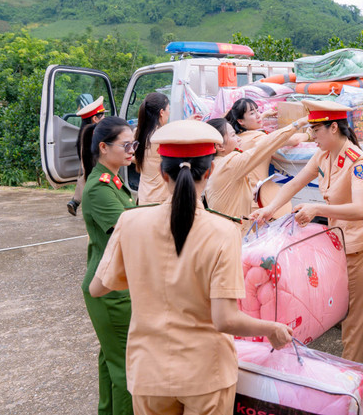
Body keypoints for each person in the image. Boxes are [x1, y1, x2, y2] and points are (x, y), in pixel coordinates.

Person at [89, 120, 293, 415]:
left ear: (162, 172)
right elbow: (225, 320)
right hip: (205, 375)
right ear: (208, 171)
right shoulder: (224, 231)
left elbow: (98, 287)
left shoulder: (130, 222)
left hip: (149, 373)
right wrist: (272, 328)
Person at [250, 99, 363, 402]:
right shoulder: (324, 154)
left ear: (334, 127)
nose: (312, 135)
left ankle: (343, 390)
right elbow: (294, 183)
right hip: (342, 245)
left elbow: (359, 208)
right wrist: (269, 209)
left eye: (316, 130)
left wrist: (317, 208)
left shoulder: (357, 161)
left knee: (352, 320)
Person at [81, 116, 138, 415]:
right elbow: (130, 230)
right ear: (103, 147)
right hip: (109, 291)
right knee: (125, 367)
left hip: (113, 285)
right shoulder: (99, 189)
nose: (132, 150)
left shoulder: (114, 181)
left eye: (134, 144)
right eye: (126, 145)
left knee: (111, 358)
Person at [205, 115, 308, 222]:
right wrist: (298, 124)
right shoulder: (228, 163)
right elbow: (265, 146)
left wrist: (249, 193)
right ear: (219, 146)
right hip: (233, 233)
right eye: (233, 135)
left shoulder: (215, 164)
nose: (239, 139)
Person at [225, 98, 307, 218]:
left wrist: (264, 115)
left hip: (241, 197)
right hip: (256, 199)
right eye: (252, 113)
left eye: (258, 111)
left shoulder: (237, 136)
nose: (258, 115)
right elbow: (293, 140)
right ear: (241, 121)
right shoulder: (258, 138)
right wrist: (310, 133)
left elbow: (251, 122)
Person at [67, 95, 106, 216]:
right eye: (103, 115)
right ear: (95, 118)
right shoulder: (95, 135)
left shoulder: (83, 133)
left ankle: (75, 201)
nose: (105, 117)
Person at [134, 92, 171, 205]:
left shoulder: (138, 132)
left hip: (143, 197)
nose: (169, 113)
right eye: (168, 109)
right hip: (159, 200)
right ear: (161, 112)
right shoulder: (162, 136)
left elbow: (139, 159)